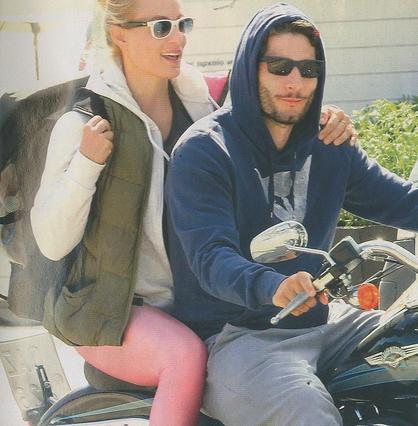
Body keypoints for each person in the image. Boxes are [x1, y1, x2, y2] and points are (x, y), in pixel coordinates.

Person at [29, 1, 355, 425]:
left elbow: (270, 119)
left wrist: (323, 120)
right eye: (161, 27)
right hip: (114, 307)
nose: (179, 37)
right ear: (118, 34)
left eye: (182, 24)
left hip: (202, 302)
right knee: (184, 357)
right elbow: (51, 242)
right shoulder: (84, 123)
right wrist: (86, 165)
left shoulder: (202, 103)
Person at [165, 3, 418, 426]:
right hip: (240, 337)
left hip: (327, 322)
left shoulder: (328, 143)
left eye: (308, 69)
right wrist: (273, 285)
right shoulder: (206, 151)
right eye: (279, 67)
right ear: (250, 69)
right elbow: (211, 258)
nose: (295, 82)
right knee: (308, 414)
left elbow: (403, 200)